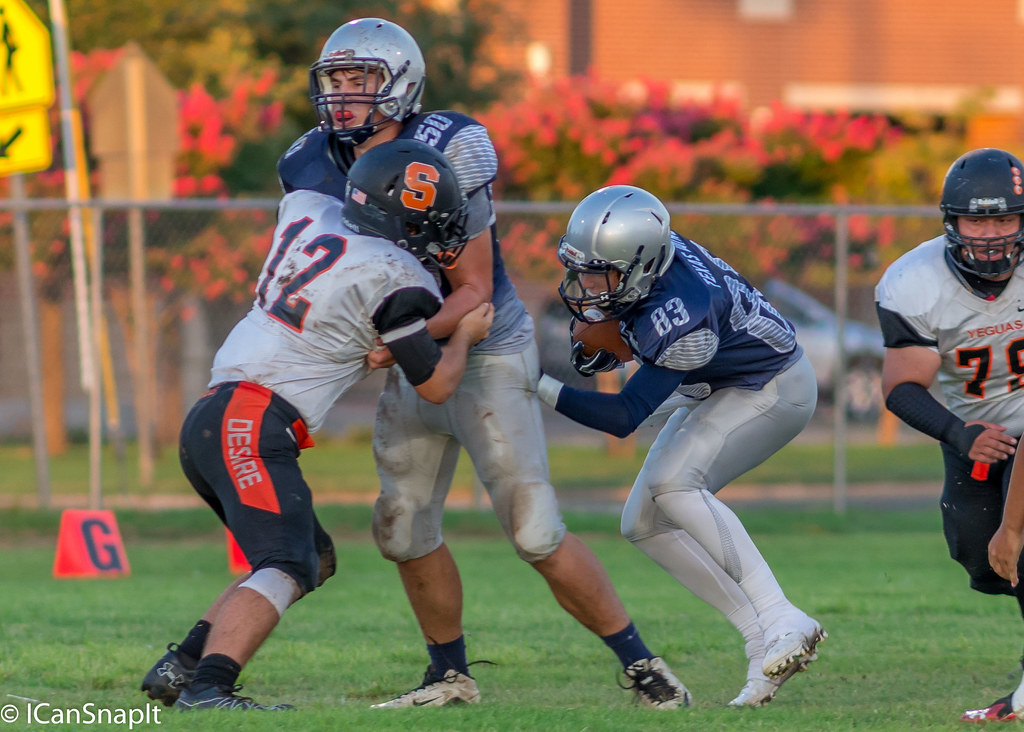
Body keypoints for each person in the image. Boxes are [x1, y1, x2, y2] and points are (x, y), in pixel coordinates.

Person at [276, 17, 692, 710]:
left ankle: (644, 666)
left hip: (483, 347)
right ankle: (449, 675)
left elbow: (471, 286)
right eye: (337, 82)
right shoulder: (306, 161)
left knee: (535, 531)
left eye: (362, 80)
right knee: (401, 529)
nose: (346, 96)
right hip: (409, 355)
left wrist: (396, 340)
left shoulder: (451, 146)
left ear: (401, 84)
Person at [140, 140, 494, 711]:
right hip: (252, 423)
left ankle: (181, 667)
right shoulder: (394, 274)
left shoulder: (309, 209)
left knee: (312, 556)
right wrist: (466, 335)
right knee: (288, 561)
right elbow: (435, 385)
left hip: (217, 414)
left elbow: (298, 164)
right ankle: (209, 690)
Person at [536, 184, 827, 707]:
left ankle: (783, 615)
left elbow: (625, 417)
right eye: (583, 269)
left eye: (600, 273)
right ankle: (760, 638)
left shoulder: (684, 309)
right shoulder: (652, 261)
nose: (586, 285)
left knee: (674, 484)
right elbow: (638, 328)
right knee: (643, 524)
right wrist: (620, 338)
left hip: (772, 387)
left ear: (640, 263)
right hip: (720, 385)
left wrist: (535, 381)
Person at [875, 147, 1024, 723]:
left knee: (1018, 542)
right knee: (982, 557)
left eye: (1005, 218)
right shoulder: (914, 282)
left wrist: (1014, 526)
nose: (991, 234)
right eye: (977, 220)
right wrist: (958, 434)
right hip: (978, 429)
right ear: (951, 222)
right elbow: (901, 386)